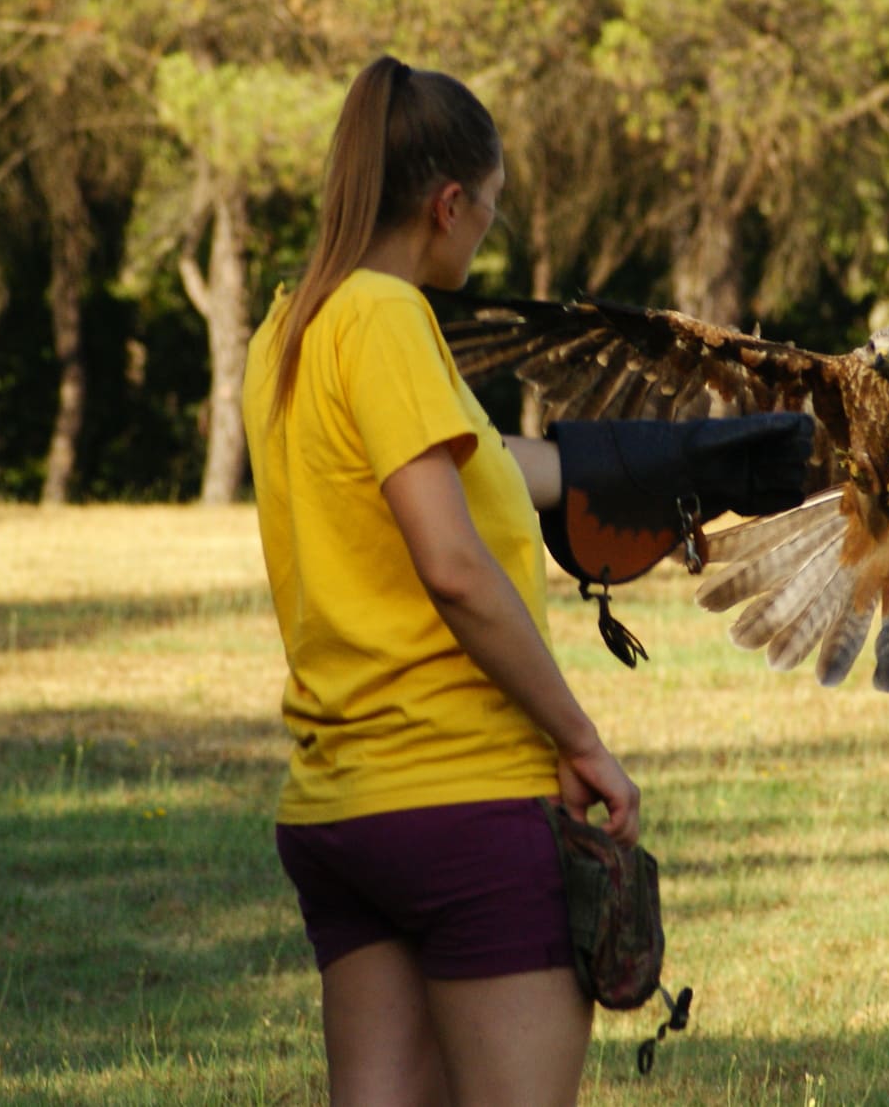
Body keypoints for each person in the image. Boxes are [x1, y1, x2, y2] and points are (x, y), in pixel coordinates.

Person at [241, 55, 638, 1106]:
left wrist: (648, 467)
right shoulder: (386, 316)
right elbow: (452, 567)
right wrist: (580, 738)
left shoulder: (289, 326)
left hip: (340, 807)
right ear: (446, 203)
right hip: (460, 801)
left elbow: (476, 470)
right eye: (488, 215)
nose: (482, 236)